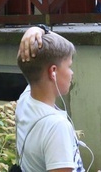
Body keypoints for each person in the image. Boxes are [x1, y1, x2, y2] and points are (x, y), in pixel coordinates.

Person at [15, 26, 85, 172]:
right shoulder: (56, 126)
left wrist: (38, 29)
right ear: (53, 71)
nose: (72, 73)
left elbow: (42, 57)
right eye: (69, 66)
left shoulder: (25, 99)